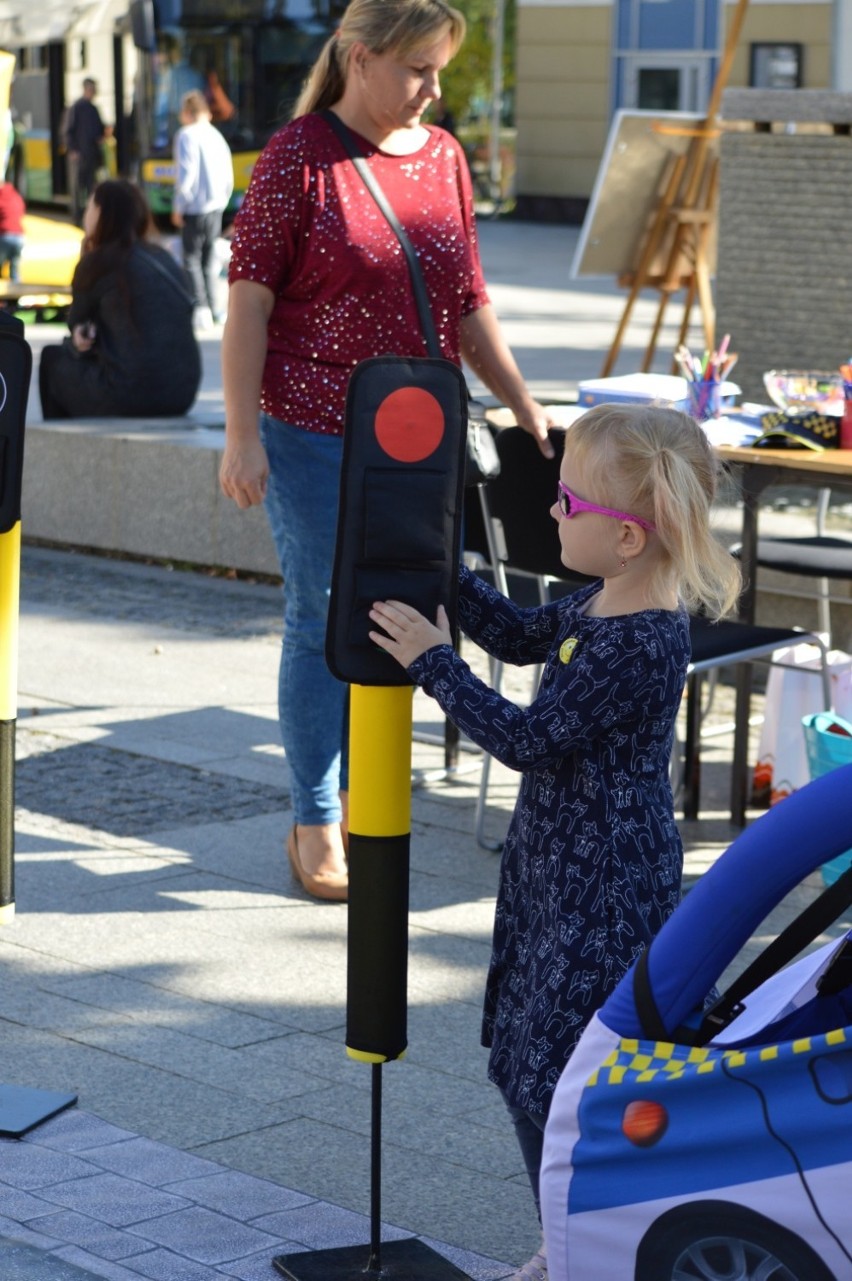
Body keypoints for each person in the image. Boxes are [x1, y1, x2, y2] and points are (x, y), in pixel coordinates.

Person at [368, 404, 742, 1281]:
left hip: (603, 887)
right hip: (555, 870)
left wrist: (432, 659)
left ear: (626, 536)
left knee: (556, 1079)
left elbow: (527, 738)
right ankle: (571, 1236)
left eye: (568, 502)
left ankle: (580, 1248)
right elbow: (518, 632)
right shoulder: (605, 597)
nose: (552, 512)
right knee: (525, 1061)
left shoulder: (643, 640)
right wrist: (442, 568)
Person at [219, 0, 555, 904]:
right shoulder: (298, 158)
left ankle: (374, 788)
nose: (432, 90)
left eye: (440, 71)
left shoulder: (443, 157)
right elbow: (247, 300)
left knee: (407, 608)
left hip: (421, 439)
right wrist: (241, 434)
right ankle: (315, 813)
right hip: (310, 430)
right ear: (359, 59)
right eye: (418, 69)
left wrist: (522, 401)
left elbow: (467, 298)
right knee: (322, 612)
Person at [39, 179, 201, 420]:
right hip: (182, 395)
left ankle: (64, 449)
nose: (86, 214)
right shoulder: (164, 258)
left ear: (101, 213)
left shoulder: (99, 262)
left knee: (52, 359)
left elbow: (77, 324)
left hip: (129, 396)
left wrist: (80, 335)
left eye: (90, 207)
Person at [171, 89, 234, 328]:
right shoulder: (216, 135)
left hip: (195, 207)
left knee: (192, 259)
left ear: (187, 112)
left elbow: (186, 174)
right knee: (209, 259)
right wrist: (223, 200)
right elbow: (228, 175)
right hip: (216, 205)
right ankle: (217, 310)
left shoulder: (186, 135)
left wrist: (179, 206)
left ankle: (200, 309)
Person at [63, 78, 106, 226]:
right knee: (76, 188)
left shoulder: (94, 109)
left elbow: (99, 130)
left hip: (91, 154)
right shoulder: (75, 107)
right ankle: (76, 218)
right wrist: (73, 149)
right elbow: (67, 131)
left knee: (90, 188)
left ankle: (89, 216)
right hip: (79, 155)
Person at [0, 181, 25, 281]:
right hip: (19, 237)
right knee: (14, 268)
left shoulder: (1, 198)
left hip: (5, 235)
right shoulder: (16, 197)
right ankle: (16, 288)